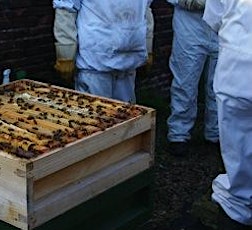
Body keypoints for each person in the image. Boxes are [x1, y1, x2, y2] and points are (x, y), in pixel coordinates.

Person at [203, 0, 252, 228]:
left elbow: (214, 18)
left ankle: (237, 207)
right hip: (236, 71)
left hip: (236, 70)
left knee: (237, 148)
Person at [52, 0, 154, 103]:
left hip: (129, 63)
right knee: (95, 114)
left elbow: (146, 10)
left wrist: (147, 48)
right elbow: (66, 8)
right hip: (94, 66)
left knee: (126, 115)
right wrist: (65, 55)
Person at [165, 0, 220, 157]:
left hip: (222, 27)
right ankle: (178, 134)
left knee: (219, 84)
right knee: (185, 81)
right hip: (189, 25)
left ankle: (215, 133)